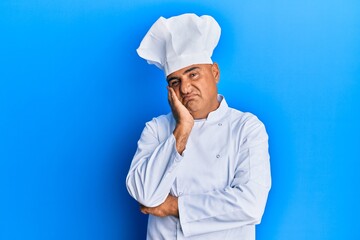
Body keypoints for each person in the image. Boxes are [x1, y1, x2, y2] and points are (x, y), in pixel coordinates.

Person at [126, 13, 271, 239]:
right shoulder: (156, 129)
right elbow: (145, 194)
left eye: (193, 74)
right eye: (175, 82)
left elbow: (250, 204)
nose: (185, 88)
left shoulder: (246, 127)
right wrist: (182, 129)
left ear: (215, 73)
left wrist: (175, 206)